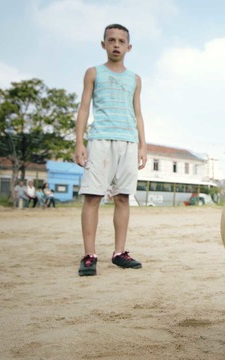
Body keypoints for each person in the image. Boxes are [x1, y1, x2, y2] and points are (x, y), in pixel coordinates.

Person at [73, 23, 147, 277]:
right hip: (100, 140)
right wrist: (79, 142)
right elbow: (84, 107)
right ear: (103, 44)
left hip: (127, 142)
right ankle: (90, 255)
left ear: (129, 47)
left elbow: (138, 113)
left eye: (121, 41)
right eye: (111, 40)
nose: (116, 45)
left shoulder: (135, 79)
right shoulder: (93, 73)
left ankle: (119, 253)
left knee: (123, 197)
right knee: (93, 196)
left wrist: (142, 145)